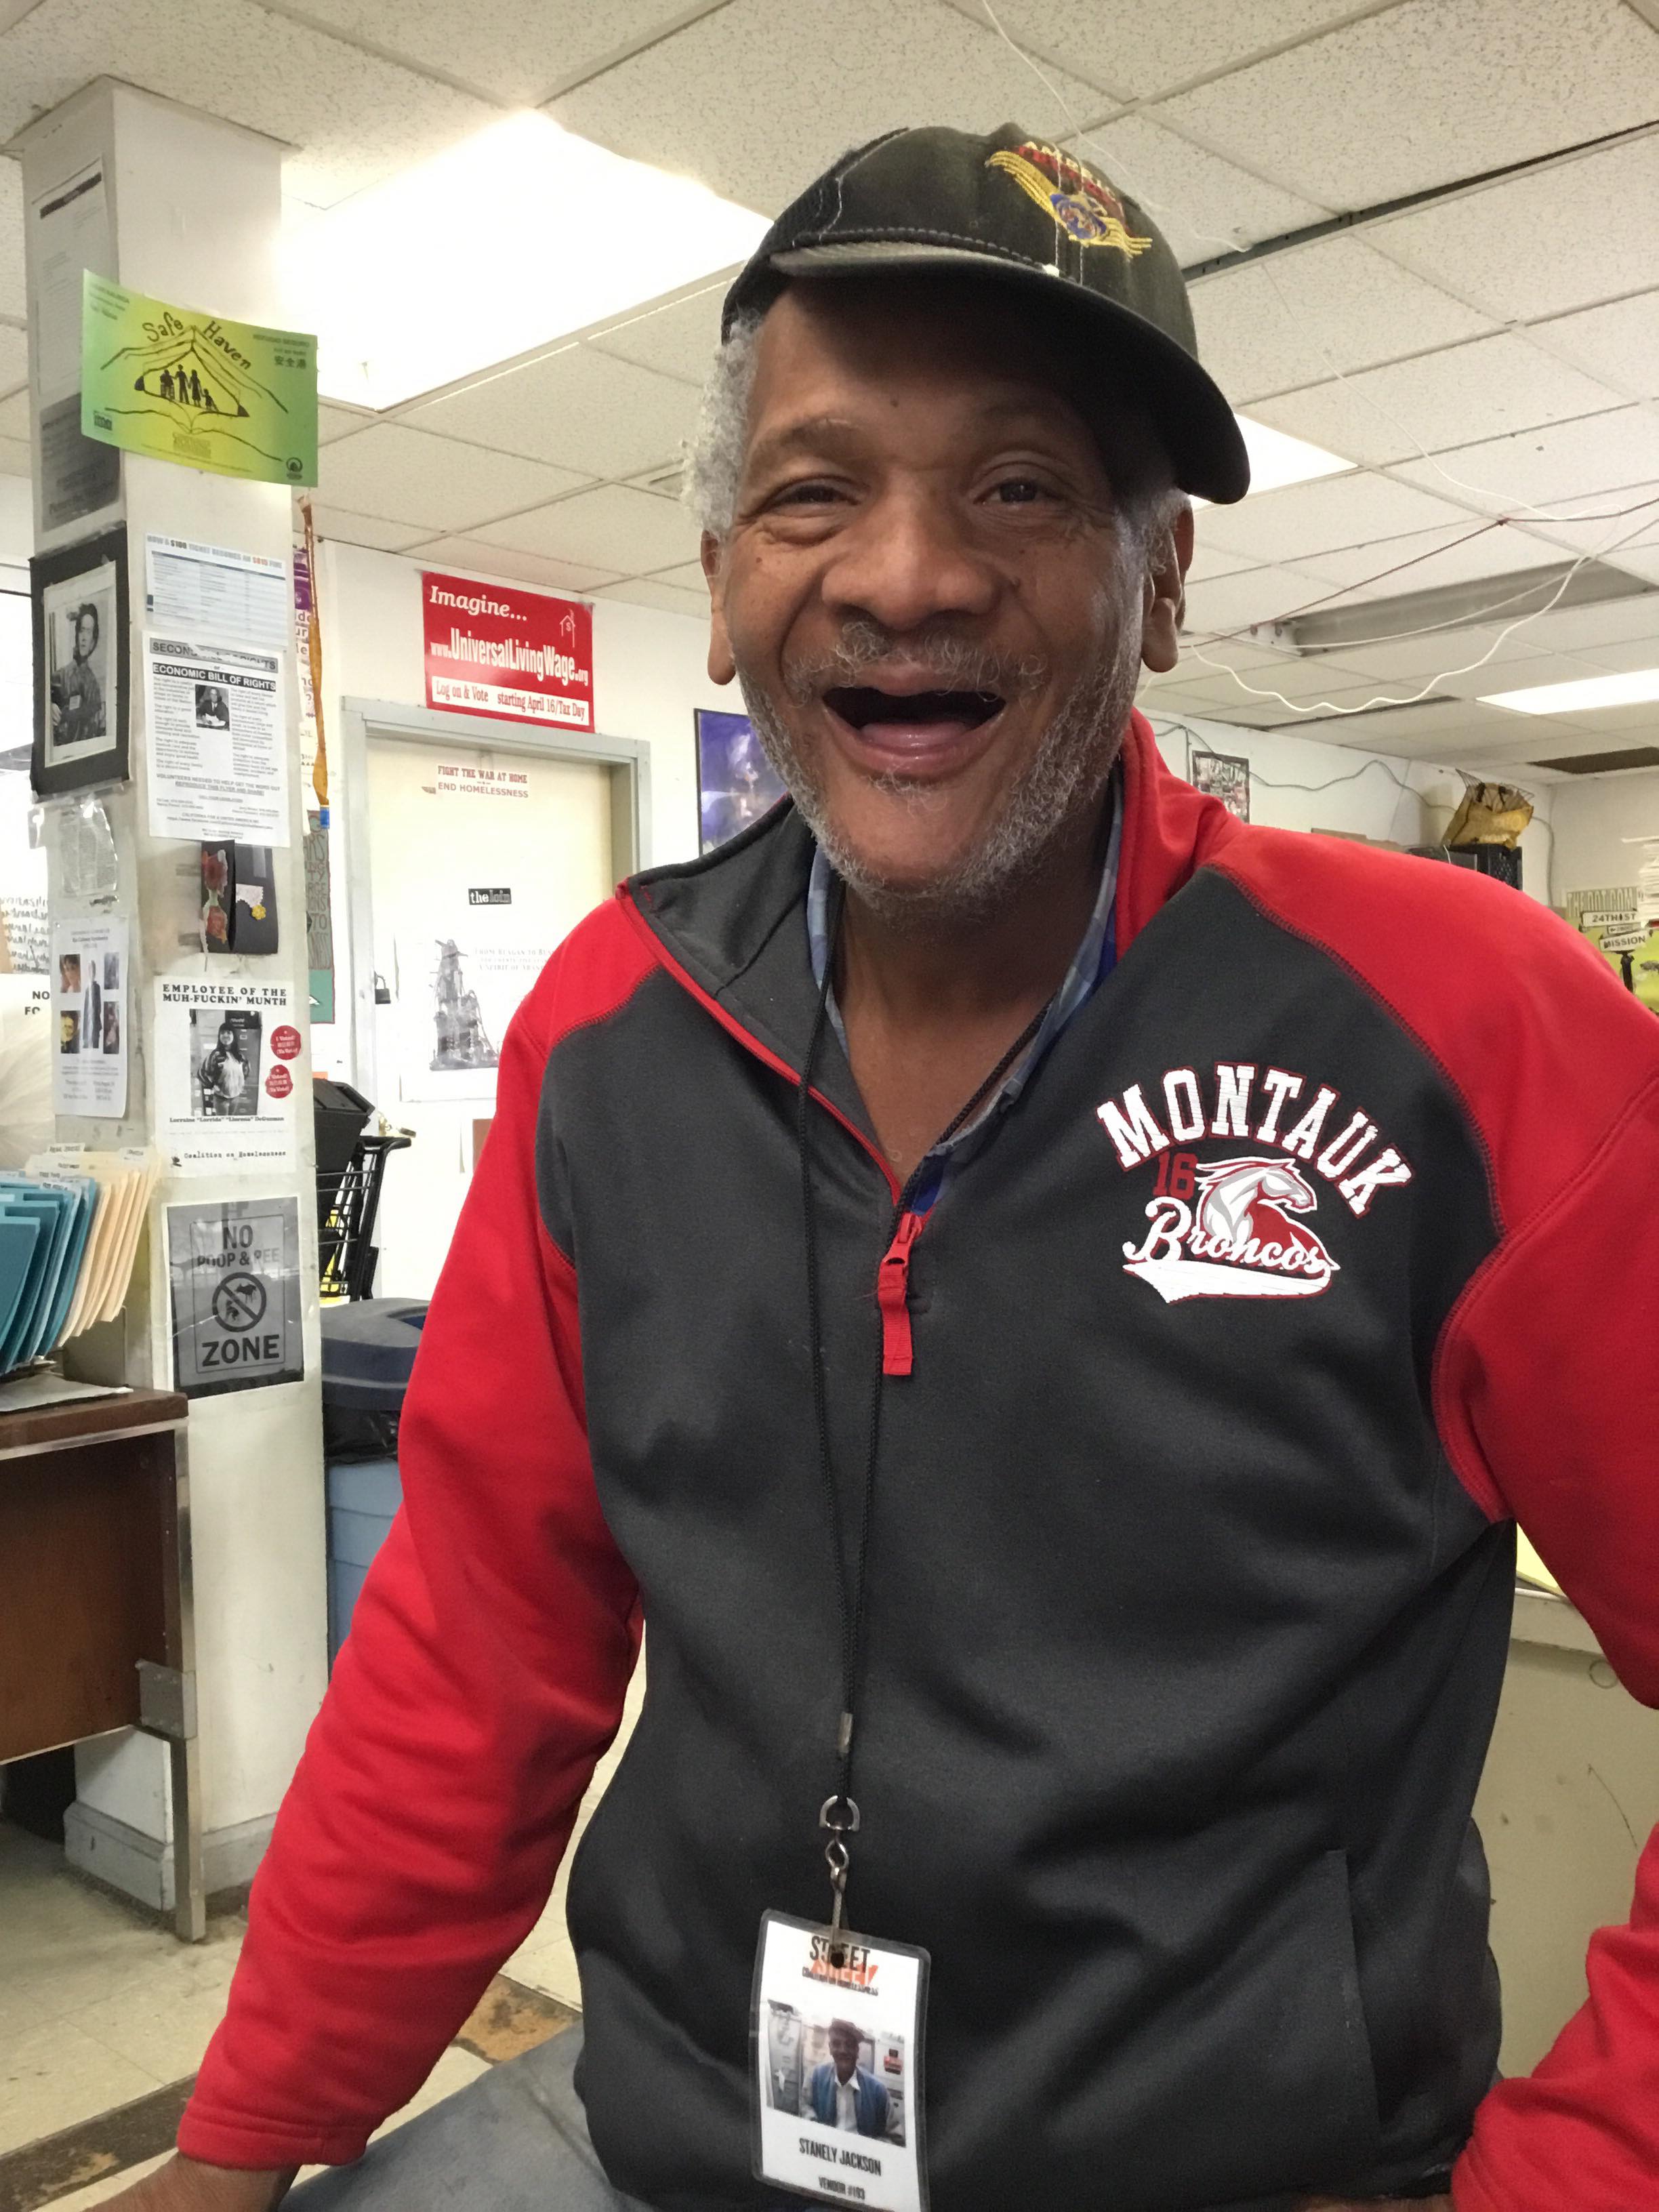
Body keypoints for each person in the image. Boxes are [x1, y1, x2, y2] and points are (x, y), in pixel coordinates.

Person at [113, 124, 1659, 2212]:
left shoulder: (1470, 1032)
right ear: (726, 580)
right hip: (685, 2127)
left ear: (1164, 580)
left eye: (1020, 486)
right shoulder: (612, 1036)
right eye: (813, 491)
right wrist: (236, 2146)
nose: (908, 574)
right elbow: (470, 1656)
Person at [802, 2020, 890, 2139]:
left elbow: (894, 2136)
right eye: (836, 2044)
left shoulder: (878, 2091)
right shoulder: (815, 2077)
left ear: (857, 2050)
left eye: (849, 2044)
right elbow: (805, 2106)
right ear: (830, 2048)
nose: (843, 2050)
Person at [49, 602, 104, 751]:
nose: (84, 638)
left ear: (94, 640)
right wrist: (50, 706)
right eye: (82, 631)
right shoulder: (62, 675)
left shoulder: (94, 685)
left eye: (89, 632)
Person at [198, 1020, 247, 1116]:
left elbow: (246, 1070)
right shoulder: (215, 1055)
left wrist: (240, 1084)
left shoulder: (239, 1056)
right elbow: (202, 1073)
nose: (225, 1035)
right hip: (221, 1099)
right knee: (223, 1123)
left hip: (235, 1097)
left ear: (234, 1036)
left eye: (229, 1033)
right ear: (219, 1036)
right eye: (222, 1033)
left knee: (231, 1121)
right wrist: (212, 1085)